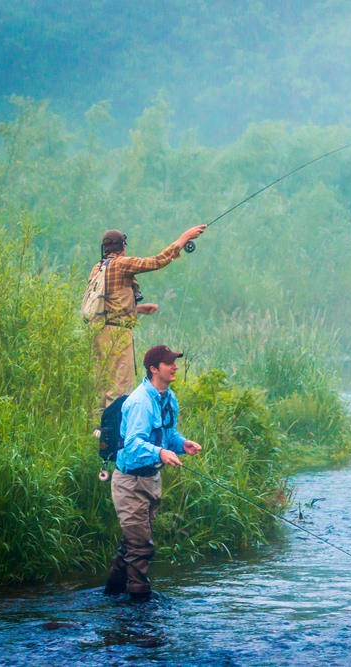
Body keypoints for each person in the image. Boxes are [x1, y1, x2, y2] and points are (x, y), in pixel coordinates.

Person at [104, 344, 202, 600]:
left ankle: (111, 595)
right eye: (169, 362)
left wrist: (182, 444)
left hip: (151, 480)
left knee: (132, 544)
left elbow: (167, 434)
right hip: (130, 482)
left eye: (175, 361)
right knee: (141, 547)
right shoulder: (140, 402)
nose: (175, 366)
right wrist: (160, 453)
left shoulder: (169, 398)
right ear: (154, 369)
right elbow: (134, 444)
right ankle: (141, 602)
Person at [90, 224, 206, 409]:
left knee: (103, 384)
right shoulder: (121, 264)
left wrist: (139, 310)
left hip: (98, 332)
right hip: (117, 335)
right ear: (123, 247)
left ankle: (99, 431)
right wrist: (184, 237)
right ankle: (116, 434)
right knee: (119, 387)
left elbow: (106, 308)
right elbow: (156, 261)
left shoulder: (98, 268)